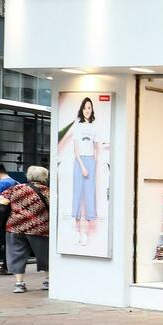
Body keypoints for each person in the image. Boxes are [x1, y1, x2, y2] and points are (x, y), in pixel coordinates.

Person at [2, 167, 49, 294]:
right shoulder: (47, 191)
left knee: (16, 254)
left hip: (15, 227)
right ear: (44, 177)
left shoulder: (16, 188)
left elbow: (2, 201)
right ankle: (47, 280)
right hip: (39, 228)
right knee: (45, 254)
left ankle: (19, 284)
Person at [64, 98, 99, 247]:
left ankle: (86, 233)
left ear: (92, 110)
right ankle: (78, 232)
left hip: (90, 161)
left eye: (89, 108)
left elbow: (96, 147)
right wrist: (83, 166)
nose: (87, 110)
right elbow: (76, 150)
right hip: (79, 163)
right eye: (85, 108)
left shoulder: (95, 127)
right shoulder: (77, 127)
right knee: (78, 194)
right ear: (81, 109)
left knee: (89, 195)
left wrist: (93, 163)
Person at [0, 167, 15, 276]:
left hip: (0, 217)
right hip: (11, 218)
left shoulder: (1, 184)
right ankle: (7, 266)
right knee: (7, 242)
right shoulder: (16, 182)